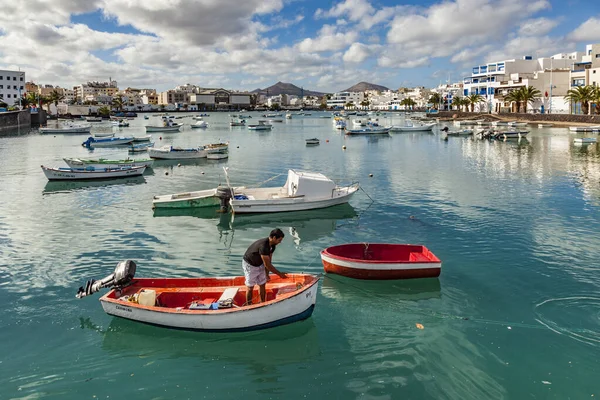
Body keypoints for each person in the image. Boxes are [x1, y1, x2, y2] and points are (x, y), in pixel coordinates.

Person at [242, 228, 287, 305]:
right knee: (250, 287)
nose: (280, 242)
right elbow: (267, 264)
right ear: (274, 238)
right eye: (279, 240)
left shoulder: (272, 246)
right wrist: (279, 274)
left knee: (262, 284)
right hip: (250, 265)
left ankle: (263, 303)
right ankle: (248, 305)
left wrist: (267, 274)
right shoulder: (263, 246)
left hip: (260, 264)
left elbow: (269, 261)